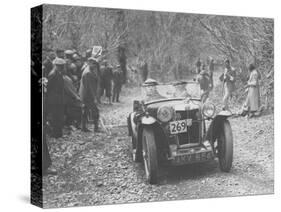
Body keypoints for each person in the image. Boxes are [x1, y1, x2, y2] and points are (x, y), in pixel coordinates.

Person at [79, 57, 100, 132]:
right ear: (89, 63)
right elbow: (90, 87)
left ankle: (83, 127)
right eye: (93, 63)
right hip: (88, 96)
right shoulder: (88, 73)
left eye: (95, 64)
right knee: (95, 111)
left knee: (85, 111)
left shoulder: (88, 70)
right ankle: (96, 128)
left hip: (85, 95)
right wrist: (94, 98)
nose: (94, 65)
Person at [46, 58, 65, 138]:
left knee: (59, 116)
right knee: (54, 116)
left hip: (58, 98)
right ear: (56, 66)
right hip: (53, 98)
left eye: (62, 66)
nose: (61, 67)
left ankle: (58, 133)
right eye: (59, 66)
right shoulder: (53, 74)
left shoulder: (58, 73)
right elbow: (48, 87)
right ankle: (55, 133)